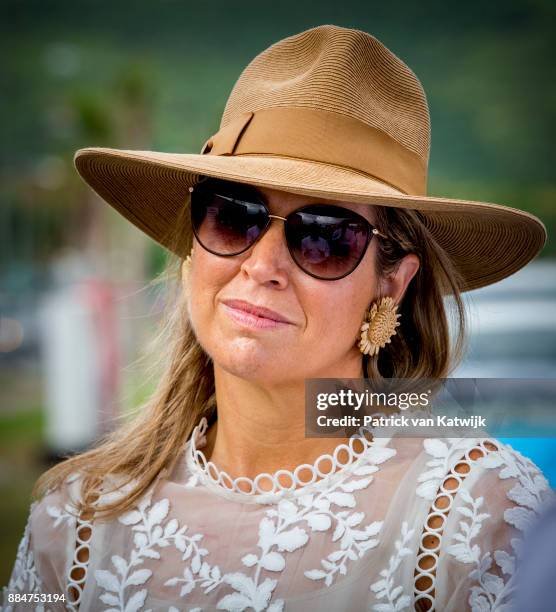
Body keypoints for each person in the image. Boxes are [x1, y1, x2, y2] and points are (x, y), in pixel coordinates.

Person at [3, 24, 554, 612]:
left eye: (323, 237)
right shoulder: (72, 519)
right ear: (193, 249)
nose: (261, 266)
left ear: (392, 283)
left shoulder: (480, 516)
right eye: (232, 215)